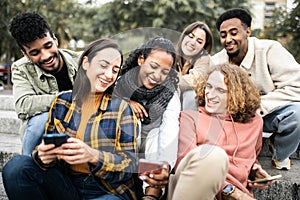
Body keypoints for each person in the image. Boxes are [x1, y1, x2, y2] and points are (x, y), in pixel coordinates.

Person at [2, 39, 139, 200]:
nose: (109, 75)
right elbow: (49, 156)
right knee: (16, 167)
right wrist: (43, 157)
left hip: (107, 190)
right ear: (86, 63)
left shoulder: (121, 108)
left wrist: (93, 156)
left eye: (115, 70)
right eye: (103, 65)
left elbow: (129, 165)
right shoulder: (62, 102)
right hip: (68, 185)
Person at [168, 64, 274, 200]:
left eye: (220, 90)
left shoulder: (255, 122)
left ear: (237, 94)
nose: (210, 95)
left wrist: (254, 170)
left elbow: (251, 155)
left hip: (239, 194)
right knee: (214, 156)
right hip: (196, 191)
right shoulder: (190, 117)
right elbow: (184, 160)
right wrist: (228, 190)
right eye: (209, 86)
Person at [211, 8, 300, 170]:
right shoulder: (217, 61)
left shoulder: (270, 50)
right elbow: (197, 80)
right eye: (223, 35)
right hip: (231, 118)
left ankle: (280, 153)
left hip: (268, 115)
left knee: (298, 114)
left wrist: (257, 105)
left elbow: (297, 86)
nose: (228, 39)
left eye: (233, 33)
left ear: (248, 32)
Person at [113, 37, 180, 199]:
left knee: (155, 134)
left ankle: (152, 192)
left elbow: (169, 132)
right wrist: (126, 101)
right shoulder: (120, 83)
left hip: (150, 151)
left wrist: (165, 166)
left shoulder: (169, 94)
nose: (157, 75)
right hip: (122, 147)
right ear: (141, 59)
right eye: (154, 66)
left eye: (164, 71)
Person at [9, 12, 81, 155]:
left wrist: (132, 99)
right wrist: (67, 98)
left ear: (55, 40)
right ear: (25, 54)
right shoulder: (20, 68)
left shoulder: (82, 60)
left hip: (83, 129)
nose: (46, 56)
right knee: (40, 119)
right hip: (45, 136)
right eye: (35, 53)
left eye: (48, 45)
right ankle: (29, 165)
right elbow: (23, 104)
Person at [176, 21, 213, 110]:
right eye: (190, 36)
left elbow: (194, 80)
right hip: (173, 103)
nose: (192, 42)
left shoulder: (204, 59)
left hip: (195, 106)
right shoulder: (171, 54)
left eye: (199, 41)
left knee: (189, 93)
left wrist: (166, 80)